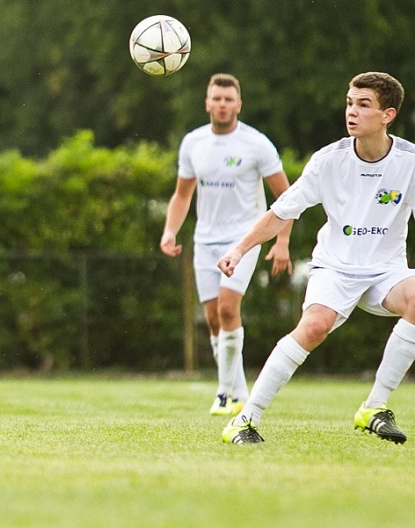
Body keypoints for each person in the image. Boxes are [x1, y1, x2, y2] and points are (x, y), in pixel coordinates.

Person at [219, 71, 413, 445]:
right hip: (335, 266)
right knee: (313, 328)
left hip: (386, 271)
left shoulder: (410, 161)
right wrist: (239, 250)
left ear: (388, 115)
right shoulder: (328, 160)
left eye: (363, 105)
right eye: (349, 103)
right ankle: (243, 421)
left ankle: (374, 407)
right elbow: (281, 212)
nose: (352, 112)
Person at [160, 73, 293, 416]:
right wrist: (170, 231)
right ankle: (239, 391)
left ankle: (224, 393)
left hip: (243, 239)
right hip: (205, 241)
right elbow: (182, 194)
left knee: (228, 309)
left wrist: (282, 241)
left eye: (228, 99)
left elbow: (287, 197)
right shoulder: (193, 142)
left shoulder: (256, 144)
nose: (222, 105)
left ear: (239, 104)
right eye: (217, 99)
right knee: (213, 319)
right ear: (207, 103)